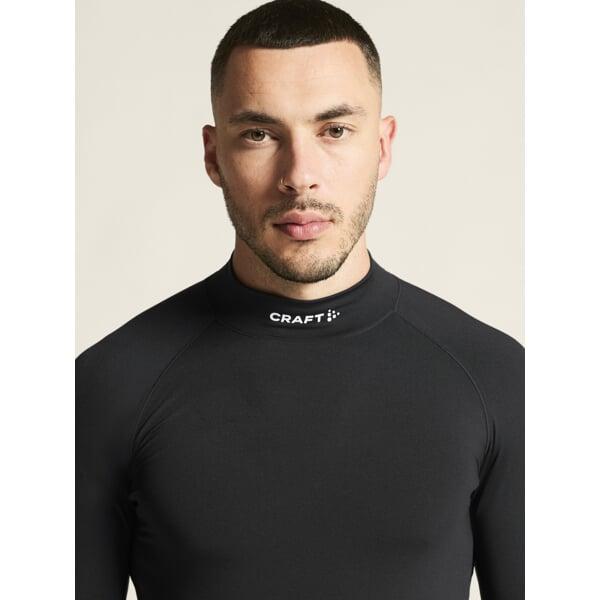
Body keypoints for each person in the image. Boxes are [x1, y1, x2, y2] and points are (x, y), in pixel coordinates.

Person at [75, 1, 524, 598]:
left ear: (383, 146)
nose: (300, 175)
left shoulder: (499, 379)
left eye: (334, 130)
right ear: (213, 155)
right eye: (259, 134)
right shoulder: (107, 387)